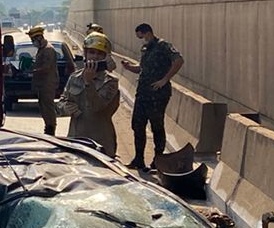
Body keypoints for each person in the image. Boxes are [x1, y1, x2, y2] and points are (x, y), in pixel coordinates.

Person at [125, 23, 184, 171]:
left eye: (142, 36)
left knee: (157, 127)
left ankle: (158, 160)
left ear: (148, 32)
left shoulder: (164, 45)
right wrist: (129, 67)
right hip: (142, 94)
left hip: (157, 95)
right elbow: (142, 68)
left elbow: (179, 60)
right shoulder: (145, 48)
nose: (142, 40)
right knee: (137, 125)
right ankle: (139, 159)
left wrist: (165, 79)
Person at [60, 32, 119, 157]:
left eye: (99, 54)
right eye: (92, 52)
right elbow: (62, 101)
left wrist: (88, 82)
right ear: (85, 54)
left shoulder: (110, 82)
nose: (95, 57)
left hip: (101, 144)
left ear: (106, 57)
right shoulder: (74, 77)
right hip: (76, 141)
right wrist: (65, 107)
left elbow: (96, 107)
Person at [27, 25, 62, 135]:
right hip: (42, 83)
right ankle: (48, 126)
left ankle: (51, 128)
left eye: (33, 40)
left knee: (48, 107)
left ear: (39, 38)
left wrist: (32, 72)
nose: (33, 42)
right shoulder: (42, 49)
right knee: (43, 107)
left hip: (48, 83)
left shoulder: (48, 50)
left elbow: (46, 68)